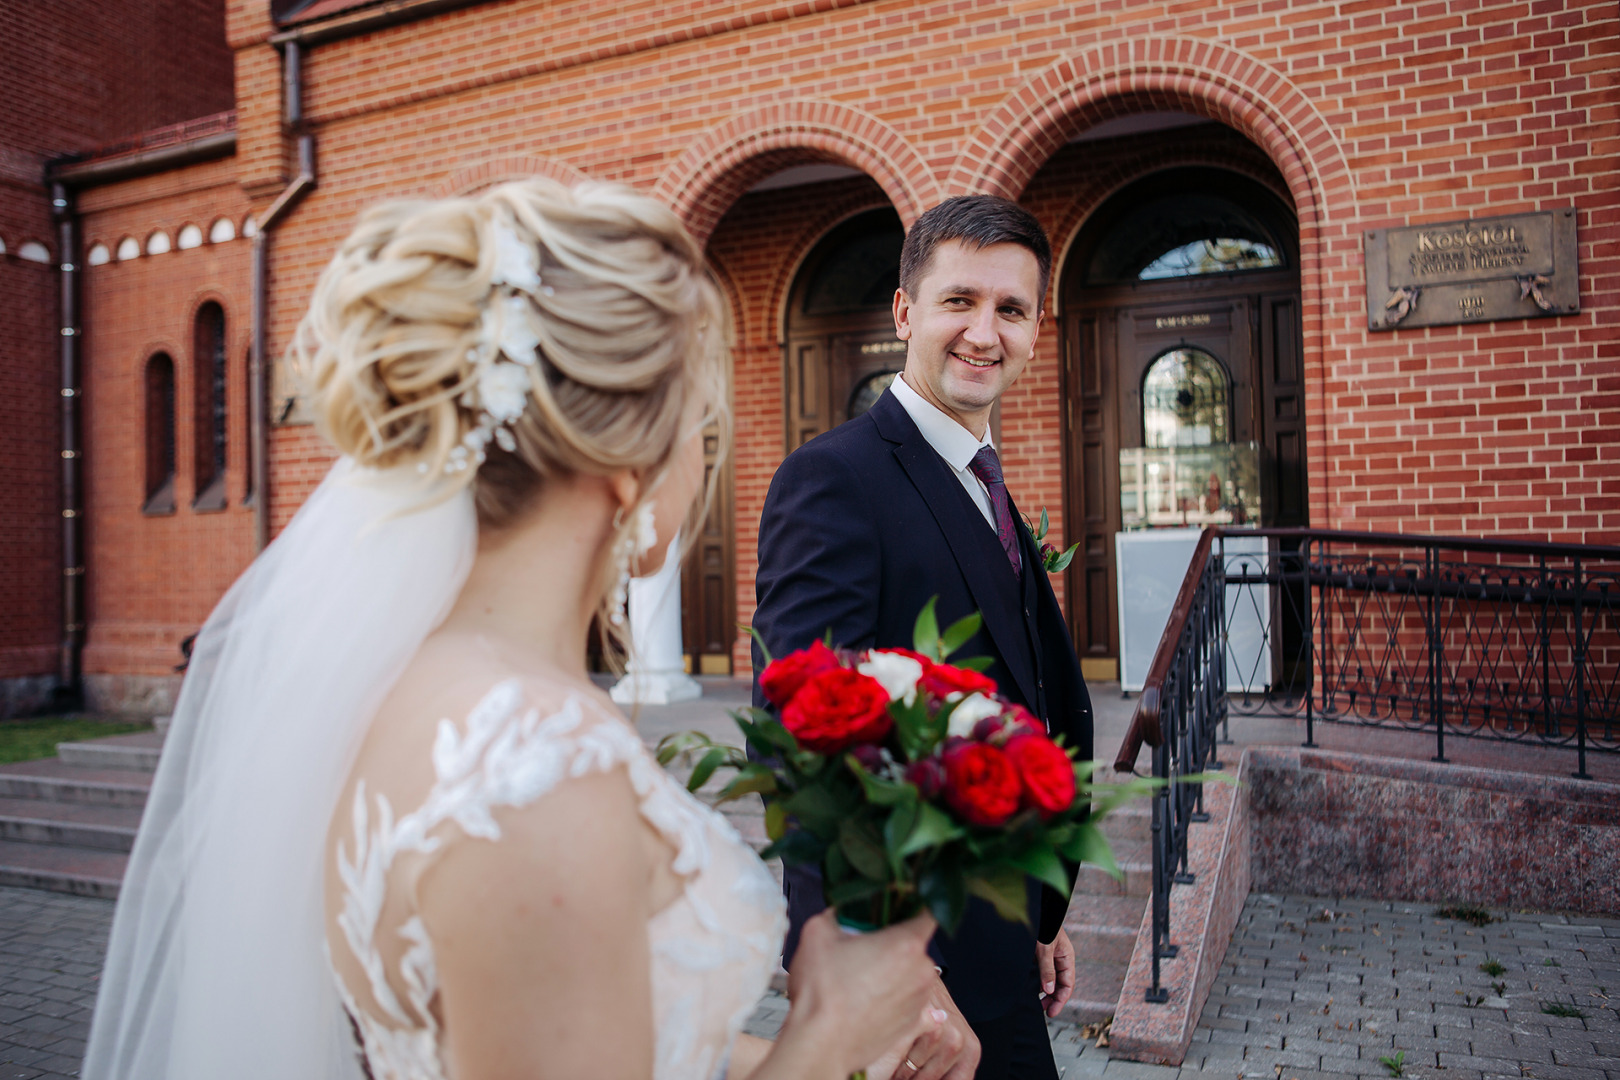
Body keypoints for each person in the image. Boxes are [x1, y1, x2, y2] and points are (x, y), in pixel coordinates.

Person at [81, 179, 952, 1080]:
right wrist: (835, 1031)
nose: (703, 462)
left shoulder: (390, 692)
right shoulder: (538, 760)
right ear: (628, 466)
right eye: (702, 429)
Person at [752, 195, 1095, 1080]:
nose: (985, 332)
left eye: (1011, 310)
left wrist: (1041, 917)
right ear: (905, 311)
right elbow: (801, 737)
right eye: (960, 301)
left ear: (1035, 328)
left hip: (998, 937)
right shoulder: (835, 478)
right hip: (915, 965)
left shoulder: (986, 480)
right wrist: (868, 968)